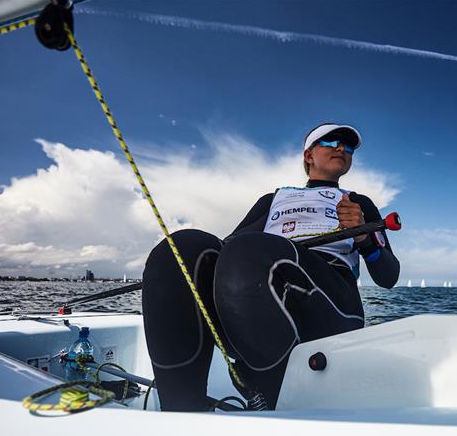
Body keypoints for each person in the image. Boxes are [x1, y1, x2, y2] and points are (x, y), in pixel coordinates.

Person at [142, 123, 400, 411]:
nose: (341, 148)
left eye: (348, 147)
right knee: (181, 249)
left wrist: (365, 238)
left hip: (330, 305)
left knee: (249, 251)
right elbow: (226, 248)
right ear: (309, 156)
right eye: (330, 142)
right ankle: (181, 409)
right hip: (255, 291)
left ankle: (272, 397)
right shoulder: (272, 201)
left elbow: (388, 276)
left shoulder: (358, 203)